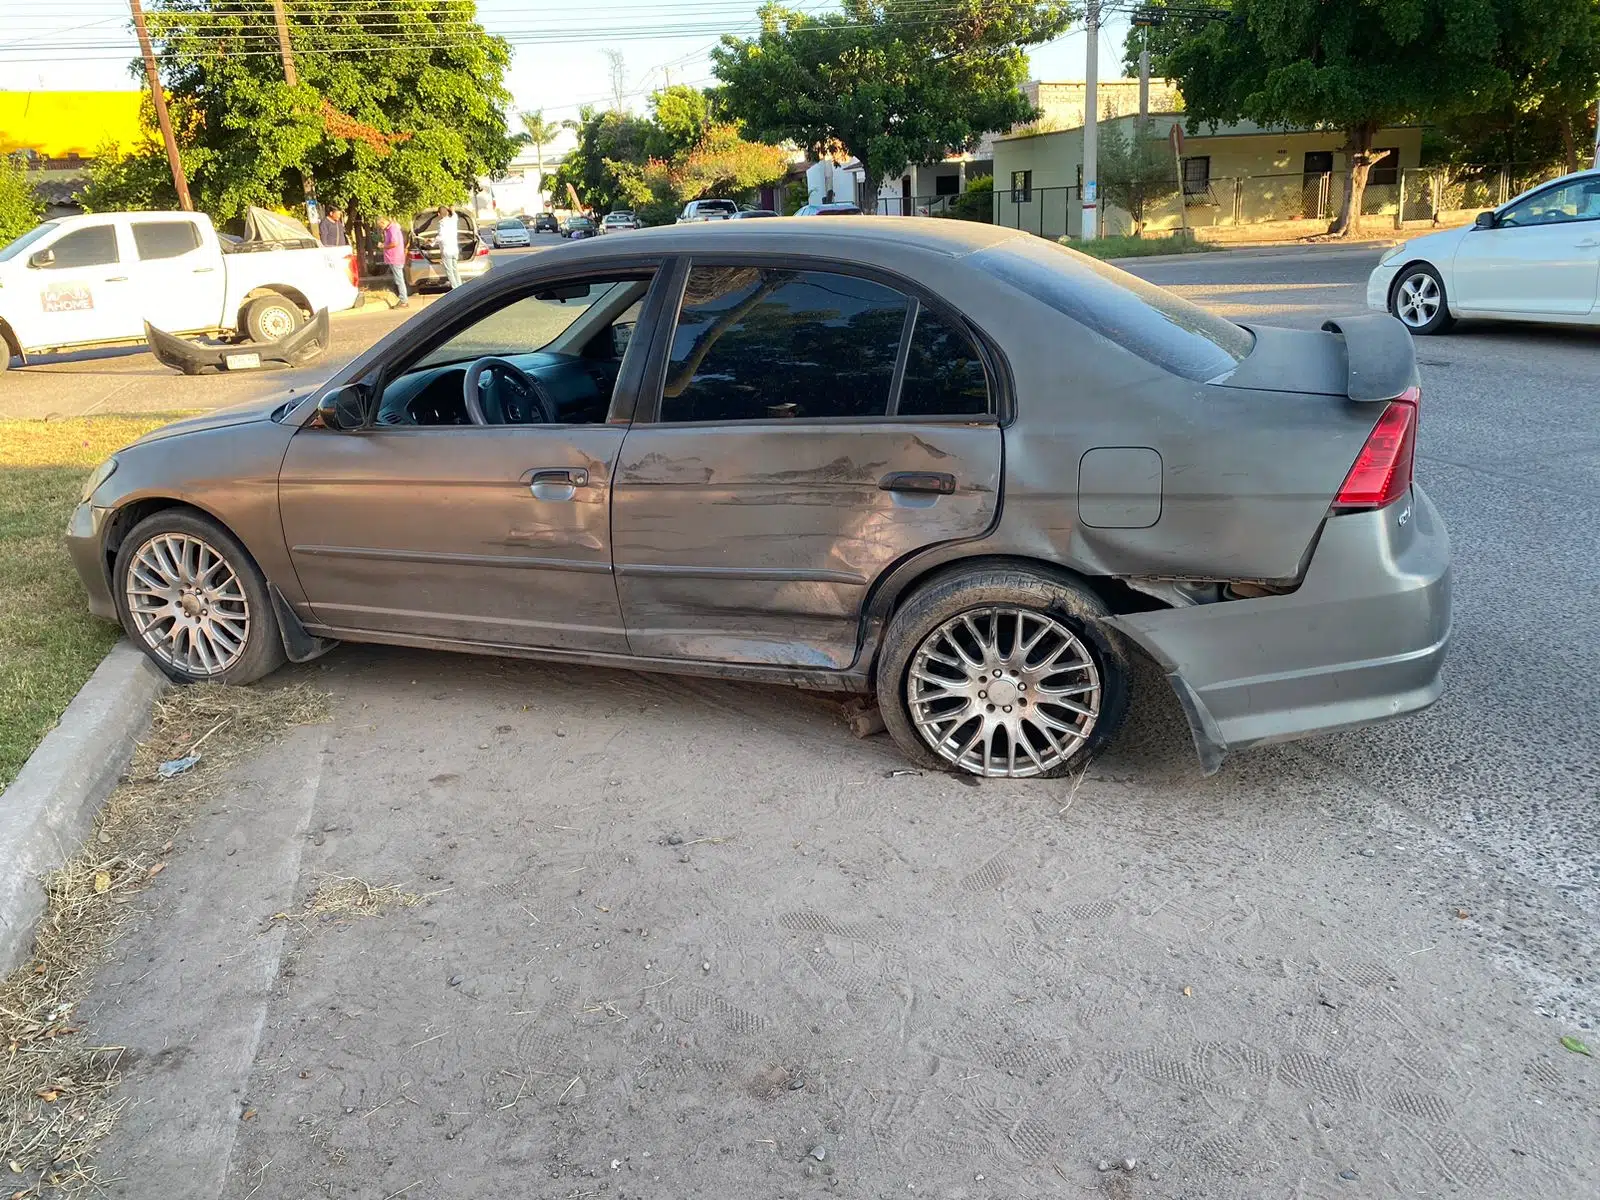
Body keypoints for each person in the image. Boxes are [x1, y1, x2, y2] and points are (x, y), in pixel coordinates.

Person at [382, 215, 408, 308]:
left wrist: (383, 246)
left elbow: (394, 243)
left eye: (381, 224)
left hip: (395, 257)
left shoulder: (392, 229)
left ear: (384, 222)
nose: (380, 226)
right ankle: (403, 299)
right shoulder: (392, 228)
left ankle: (403, 300)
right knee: (399, 279)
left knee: (399, 280)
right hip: (395, 257)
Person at [436, 205, 461, 290]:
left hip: (446, 251)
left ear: (438, 214)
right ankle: (461, 288)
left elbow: (441, 237)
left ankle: (455, 290)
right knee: (455, 270)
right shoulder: (453, 220)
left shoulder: (441, 223)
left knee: (450, 272)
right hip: (455, 250)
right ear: (447, 212)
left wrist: (432, 241)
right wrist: (452, 210)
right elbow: (455, 214)